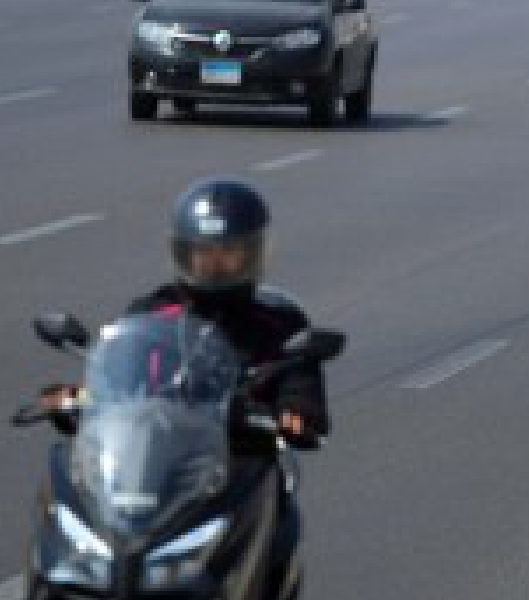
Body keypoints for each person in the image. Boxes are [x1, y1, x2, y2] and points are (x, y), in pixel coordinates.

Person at [40, 179, 329, 447]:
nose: (215, 263)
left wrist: (295, 414)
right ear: (183, 253)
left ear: (252, 253)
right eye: (203, 252)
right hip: (153, 456)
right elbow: (118, 377)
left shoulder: (280, 324)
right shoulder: (149, 313)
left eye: (229, 252)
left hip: (245, 461)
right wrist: (76, 399)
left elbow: (302, 395)